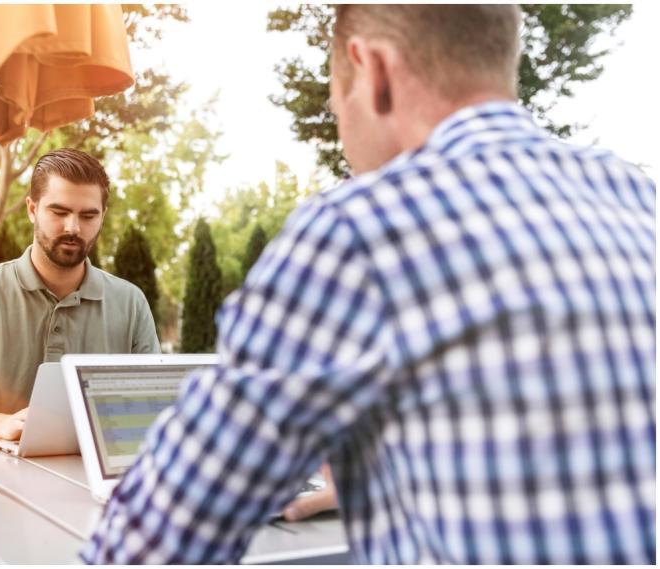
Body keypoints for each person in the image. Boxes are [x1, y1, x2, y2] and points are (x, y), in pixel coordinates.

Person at [81, 5, 655, 564]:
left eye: (337, 101)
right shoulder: (638, 198)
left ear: (372, 70)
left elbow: (159, 538)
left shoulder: (360, 229)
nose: (340, 123)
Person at [0, 148, 160, 444]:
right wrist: (2, 426)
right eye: (59, 212)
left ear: (102, 216)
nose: (73, 227)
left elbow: (153, 411)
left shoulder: (131, 303)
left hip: (92, 479)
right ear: (32, 209)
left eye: (88, 215)